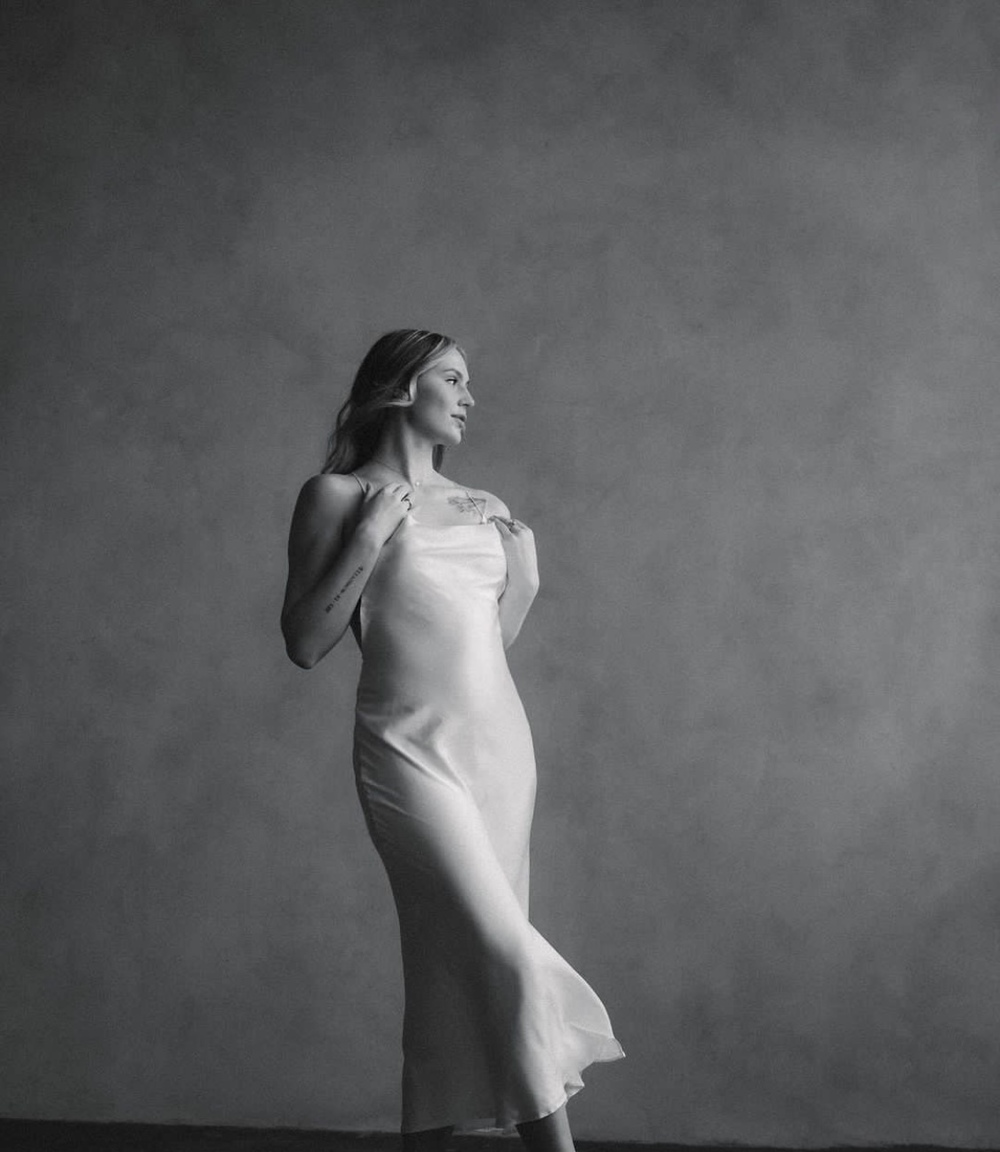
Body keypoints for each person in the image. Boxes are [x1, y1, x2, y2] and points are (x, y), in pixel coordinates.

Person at [281, 330, 624, 1152]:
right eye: (453, 379)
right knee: (505, 953)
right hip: (405, 747)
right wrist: (369, 538)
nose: (470, 397)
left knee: (447, 971)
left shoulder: (484, 505)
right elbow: (304, 642)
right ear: (403, 386)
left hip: (500, 750)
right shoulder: (337, 495)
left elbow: (481, 648)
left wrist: (525, 585)